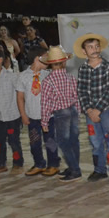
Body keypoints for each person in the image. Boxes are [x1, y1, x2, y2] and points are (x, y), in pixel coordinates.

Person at [75, 33, 109, 182]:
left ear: (100, 48)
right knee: (95, 141)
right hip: (90, 112)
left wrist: (98, 110)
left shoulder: (107, 67)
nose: (94, 49)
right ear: (84, 51)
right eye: (90, 47)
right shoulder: (82, 69)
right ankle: (99, 170)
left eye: (96, 46)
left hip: (106, 110)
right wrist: (89, 110)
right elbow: (81, 91)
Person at [40, 46, 82, 183]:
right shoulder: (71, 78)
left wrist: (44, 121)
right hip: (73, 110)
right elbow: (77, 97)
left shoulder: (47, 81)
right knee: (73, 140)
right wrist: (78, 113)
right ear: (64, 62)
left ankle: (75, 170)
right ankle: (73, 166)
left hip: (61, 113)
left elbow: (45, 103)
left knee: (63, 142)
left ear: (49, 64)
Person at [16, 47, 61, 177]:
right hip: (32, 117)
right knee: (34, 142)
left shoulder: (48, 74)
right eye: (46, 56)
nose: (48, 59)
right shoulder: (23, 76)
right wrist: (23, 114)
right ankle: (39, 164)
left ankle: (53, 164)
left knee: (50, 141)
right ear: (37, 58)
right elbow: (20, 98)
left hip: (49, 116)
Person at [0, 48, 24, 176]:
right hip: (0, 116)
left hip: (13, 115)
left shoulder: (12, 77)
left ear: (0, 60)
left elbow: (20, 94)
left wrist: (23, 113)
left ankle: (18, 163)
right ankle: (0, 164)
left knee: (13, 140)